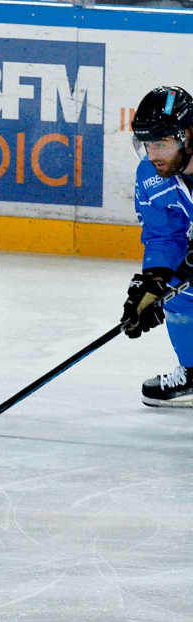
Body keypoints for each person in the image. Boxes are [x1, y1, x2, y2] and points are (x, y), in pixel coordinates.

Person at [120, 85, 193, 406]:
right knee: (176, 288)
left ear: (188, 135)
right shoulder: (151, 175)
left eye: (161, 143)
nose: (153, 155)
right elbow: (164, 236)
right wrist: (155, 280)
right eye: (147, 144)